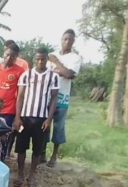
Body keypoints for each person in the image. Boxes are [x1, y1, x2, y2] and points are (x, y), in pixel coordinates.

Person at [13, 48, 59, 187]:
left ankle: (31, 176)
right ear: (34, 59)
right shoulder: (26, 75)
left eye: (43, 59)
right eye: (38, 59)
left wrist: (49, 119)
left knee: (37, 150)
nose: (40, 61)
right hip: (25, 118)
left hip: (41, 119)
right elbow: (20, 97)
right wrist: (17, 117)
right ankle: (20, 175)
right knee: (21, 148)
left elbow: (53, 99)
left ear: (47, 60)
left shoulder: (53, 77)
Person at [43, 29, 82, 167]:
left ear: (73, 41)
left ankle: (54, 156)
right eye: (65, 39)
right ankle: (42, 153)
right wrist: (61, 71)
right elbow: (47, 73)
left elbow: (70, 74)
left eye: (70, 40)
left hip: (62, 97)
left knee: (58, 126)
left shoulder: (75, 57)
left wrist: (58, 63)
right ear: (61, 39)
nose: (67, 42)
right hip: (47, 95)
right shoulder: (51, 55)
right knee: (44, 125)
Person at [0, 42, 25, 161]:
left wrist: (17, 117)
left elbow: (20, 95)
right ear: (4, 53)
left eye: (13, 56)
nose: (9, 58)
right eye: (7, 54)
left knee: (4, 138)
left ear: (16, 57)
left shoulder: (19, 71)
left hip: (9, 111)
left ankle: (1, 161)